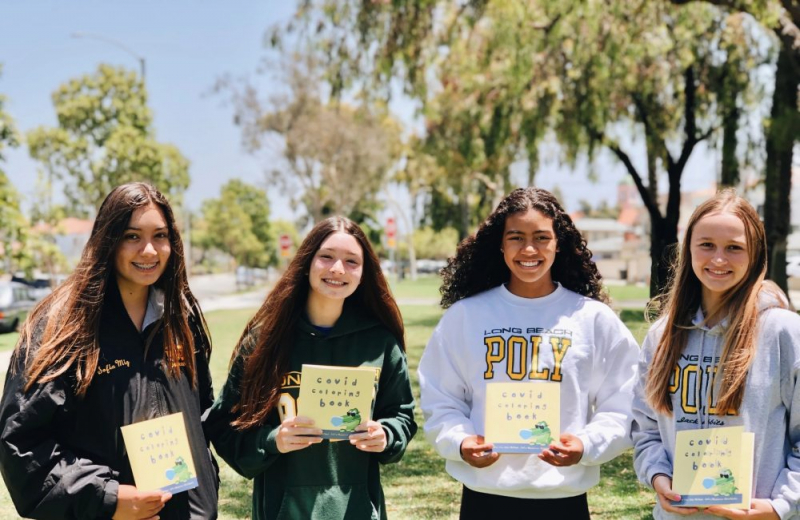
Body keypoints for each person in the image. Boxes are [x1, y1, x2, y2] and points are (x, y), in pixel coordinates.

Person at [0, 183, 218, 520]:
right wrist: (108, 497)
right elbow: (22, 445)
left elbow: (200, 414)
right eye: (132, 236)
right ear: (108, 239)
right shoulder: (63, 326)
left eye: (160, 235)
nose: (149, 250)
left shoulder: (181, 315)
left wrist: (208, 482)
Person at [417, 187, 639, 519]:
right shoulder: (466, 316)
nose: (529, 249)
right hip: (485, 496)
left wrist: (587, 445)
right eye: (516, 237)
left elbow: (624, 400)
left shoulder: (592, 319)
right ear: (501, 244)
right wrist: (461, 443)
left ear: (558, 243)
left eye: (541, 237)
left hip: (563, 497)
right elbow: (441, 398)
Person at [205, 216, 417, 520]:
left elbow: (402, 416)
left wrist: (386, 435)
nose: (337, 269)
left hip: (357, 509)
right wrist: (272, 441)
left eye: (351, 261)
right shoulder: (264, 341)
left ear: (363, 274)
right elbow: (224, 425)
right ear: (307, 263)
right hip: (284, 510)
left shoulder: (379, 343)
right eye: (326, 257)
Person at [632, 189, 800, 519]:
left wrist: (781, 504)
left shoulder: (784, 332)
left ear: (755, 255)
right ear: (689, 249)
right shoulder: (661, 336)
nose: (719, 259)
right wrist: (658, 476)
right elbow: (645, 429)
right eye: (707, 245)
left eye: (734, 248)